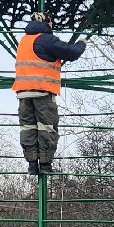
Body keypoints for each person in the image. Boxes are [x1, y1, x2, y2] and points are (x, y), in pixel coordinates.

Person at [12, 11, 87, 176]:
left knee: (28, 127)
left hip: (23, 92)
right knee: (47, 127)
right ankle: (45, 165)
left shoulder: (24, 40)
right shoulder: (46, 39)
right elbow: (71, 52)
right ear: (47, 23)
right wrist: (82, 43)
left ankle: (32, 164)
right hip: (42, 91)